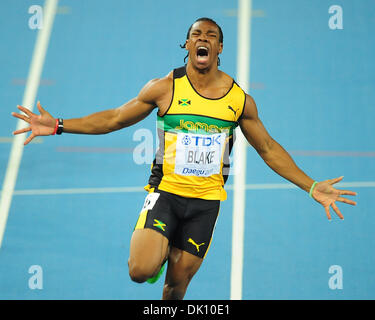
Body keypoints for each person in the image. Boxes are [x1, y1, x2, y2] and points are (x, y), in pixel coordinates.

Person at [12, 17, 357, 300]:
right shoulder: (164, 88)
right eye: (195, 34)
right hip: (165, 193)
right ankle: (158, 255)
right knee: (141, 271)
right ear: (188, 46)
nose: (202, 38)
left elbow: (267, 148)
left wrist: (312, 186)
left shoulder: (239, 102)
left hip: (206, 204)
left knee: (176, 288)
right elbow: (115, 118)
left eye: (210, 35)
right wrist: (58, 125)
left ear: (219, 48)